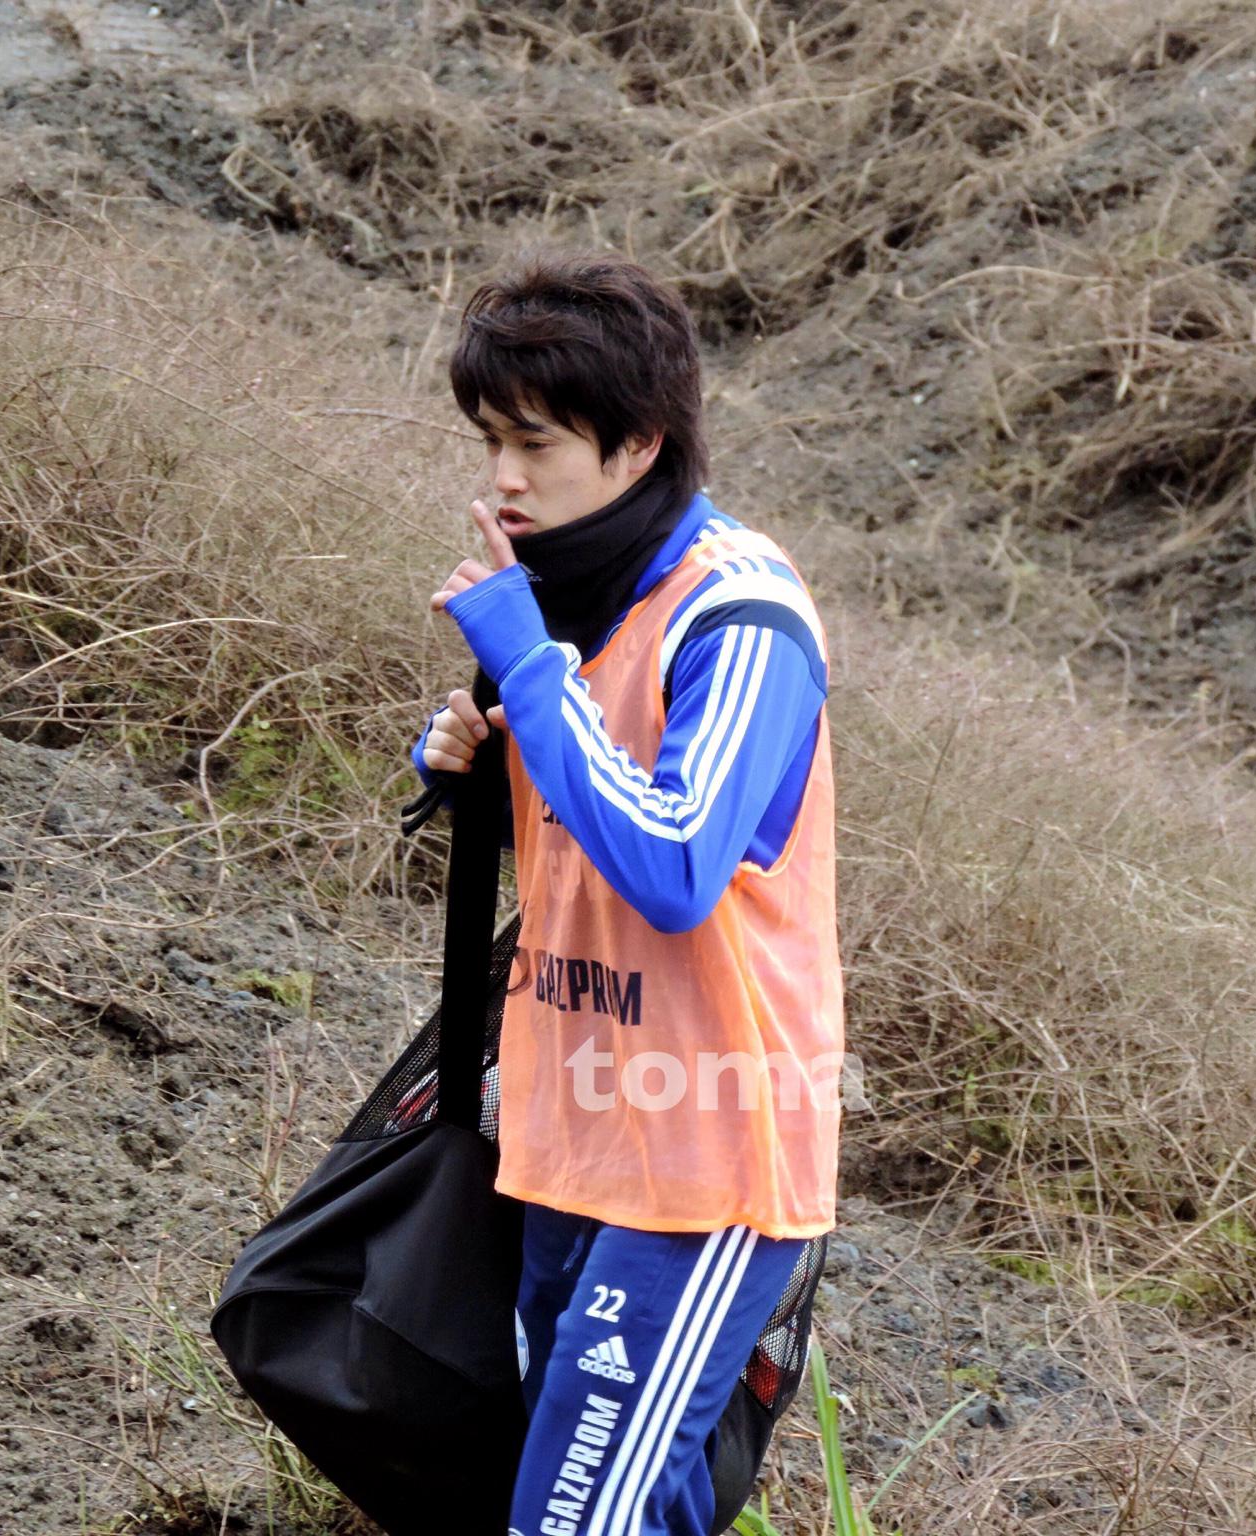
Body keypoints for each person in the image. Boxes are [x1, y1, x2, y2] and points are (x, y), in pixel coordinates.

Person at [410, 252, 846, 1536]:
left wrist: (527, 668)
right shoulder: (574, 598)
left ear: (639, 441)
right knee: (599, 1504)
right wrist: (477, 771)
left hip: (704, 1156)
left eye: (534, 442)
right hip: (572, 1132)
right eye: (490, 441)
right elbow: (580, 842)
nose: (502, 477)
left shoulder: (739, 613)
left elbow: (670, 865)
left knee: (574, 1522)